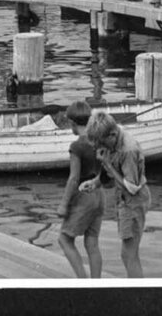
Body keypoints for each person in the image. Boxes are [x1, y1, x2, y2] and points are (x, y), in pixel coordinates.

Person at [81, 111, 151, 278]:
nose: (100, 149)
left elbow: (132, 187)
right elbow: (112, 169)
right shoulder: (113, 133)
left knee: (129, 255)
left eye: (102, 144)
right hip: (123, 200)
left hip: (134, 201)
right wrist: (95, 183)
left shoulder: (128, 150)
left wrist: (106, 164)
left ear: (112, 135)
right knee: (127, 254)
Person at [56, 100, 104, 278]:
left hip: (83, 197)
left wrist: (63, 204)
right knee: (92, 243)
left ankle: (83, 281)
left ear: (73, 123)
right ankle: (96, 284)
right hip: (99, 194)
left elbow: (74, 178)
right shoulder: (98, 141)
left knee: (64, 239)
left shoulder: (77, 146)